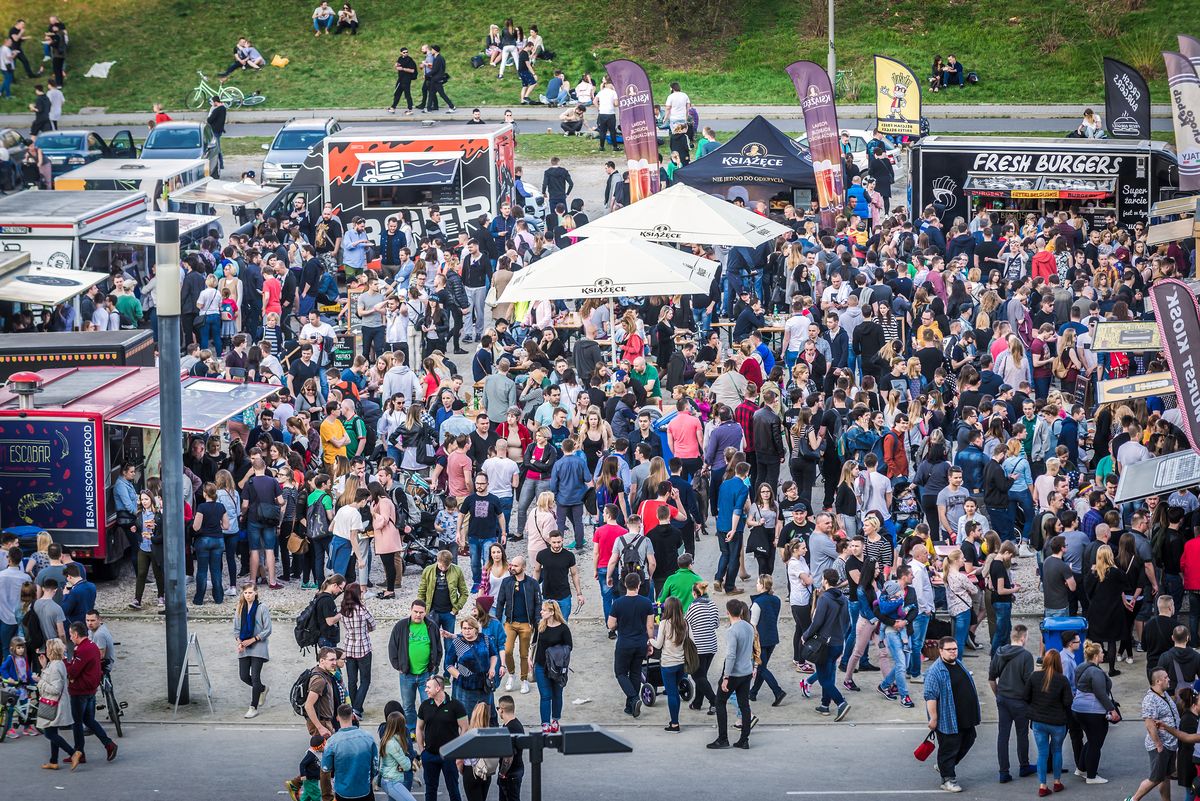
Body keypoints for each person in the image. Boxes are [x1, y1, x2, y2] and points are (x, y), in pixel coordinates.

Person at [925, 637, 981, 793]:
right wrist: (933, 718)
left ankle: (944, 766)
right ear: (940, 651)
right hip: (948, 718)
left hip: (965, 716)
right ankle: (948, 779)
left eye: (955, 649)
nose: (952, 652)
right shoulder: (935, 671)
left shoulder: (958, 663)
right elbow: (930, 696)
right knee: (949, 747)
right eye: (949, 649)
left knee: (969, 739)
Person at [388, 600, 444, 736]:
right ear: (411, 610)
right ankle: (412, 729)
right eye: (416, 612)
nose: (418, 615)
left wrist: (434, 665)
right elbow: (392, 647)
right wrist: (398, 666)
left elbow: (438, 647)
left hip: (426, 674)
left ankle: (428, 729)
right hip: (407, 675)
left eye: (421, 612)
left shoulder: (431, 626)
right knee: (408, 705)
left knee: (429, 703)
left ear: (425, 612)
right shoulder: (401, 626)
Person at [989, 623, 1035, 783]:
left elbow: (991, 678)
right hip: (1020, 701)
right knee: (1022, 734)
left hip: (1003, 699)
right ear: (1023, 637)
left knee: (1003, 735)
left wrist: (998, 695)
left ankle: (1004, 771)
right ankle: (1024, 766)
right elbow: (1029, 682)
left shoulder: (999, 652)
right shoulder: (1026, 656)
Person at [708, 598, 757, 749]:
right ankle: (744, 739)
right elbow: (752, 648)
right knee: (744, 705)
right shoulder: (749, 627)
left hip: (734, 673)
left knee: (720, 702)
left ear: (728, 612)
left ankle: (723, 738)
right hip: (746, 671)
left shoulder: (732, 631)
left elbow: (731, 656)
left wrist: (725, 677)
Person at [803, 568, 850, 721]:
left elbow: (817, 622)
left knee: (824, 679)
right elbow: (847, 621)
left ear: (825, 580)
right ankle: (824, 705)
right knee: (829, 675)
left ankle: (841, 702)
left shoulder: (824, 599)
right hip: (838, 643)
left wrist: (806, 635)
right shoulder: (842, 598)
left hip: (825, 644)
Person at [66, 622, 116, 764]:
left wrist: (64, 660)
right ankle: (108, 744)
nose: (70, 637)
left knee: (77, 722)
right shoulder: (92, 646)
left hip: (80, 691)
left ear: (76, 634)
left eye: (71, 634)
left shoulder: (82, 650)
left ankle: (79, 753)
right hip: (90, 690)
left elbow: (73, 672)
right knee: (88, 720)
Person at [1126, 668, 1180, 801]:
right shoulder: (1150, 699)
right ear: (1158, 681)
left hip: (1170, 744)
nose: (1169, 679)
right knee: (1155, 778)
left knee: (1165, 776)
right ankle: (1133, 799)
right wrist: (1158, 744)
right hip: (1161, 746)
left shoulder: (1163, 694)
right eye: (1166, 678)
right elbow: (1149, 724)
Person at [1024, 649, 1073, 796]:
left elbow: (1025, 697)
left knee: (1042, 754)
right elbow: (1067, 702)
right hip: (1058, 722)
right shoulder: (1062, 679)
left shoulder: (1034, 677)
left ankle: (1042, 786)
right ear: (1058, 662)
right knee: (1057, 751)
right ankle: (1057, 782)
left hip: (1039, 722)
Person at [1071, 640, 1119, 784]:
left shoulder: (1081, 667)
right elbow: (1100, 693)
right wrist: (1112, 709)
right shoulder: (1096, 672)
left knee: (1091, 740)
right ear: (1097, 656)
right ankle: (1091, 776)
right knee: (1096, 743)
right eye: (1102, 653)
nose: (1104, 654)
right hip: (1093, 711)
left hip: (1078, 709)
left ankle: (1081, 768)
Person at [608, 573, 654, 717]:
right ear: (639, 585)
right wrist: (650, 642)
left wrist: (616, 626)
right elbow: (650, 626)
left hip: (624, 643)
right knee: (635, 672)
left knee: (620, 673)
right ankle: (630, 707)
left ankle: (634, 698)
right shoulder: (646, 602)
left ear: (625, 585)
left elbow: (610, 624)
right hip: (640, 643)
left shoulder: (618, 603)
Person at [416, 675, 468, 801]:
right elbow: (419, 728)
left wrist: (456, 751)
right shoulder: (425, 705)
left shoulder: (456, 705)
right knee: (430, 791)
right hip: (430, 755)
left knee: (453, 790)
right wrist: (422, 751)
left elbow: (465, 728)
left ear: (438, 688)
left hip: (449, 756)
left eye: (428, 687)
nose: (425, 690)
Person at [496, 555, 540, 694]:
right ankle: (512, 674)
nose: (512, 568)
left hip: (526, 623)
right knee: (507, 650)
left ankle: (524, 680)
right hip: (510, 622)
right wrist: (497, 621)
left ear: (524, 567)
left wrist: (537, 621)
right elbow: (500, 602)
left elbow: (538, 603)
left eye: (516, 566)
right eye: (512, 565)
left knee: (524, 654)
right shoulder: (507, 582)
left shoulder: (532, 583)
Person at [36, 638, 78, 770]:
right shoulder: (56, 663)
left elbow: (55, 689)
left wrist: (39, 681)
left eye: (47, 649)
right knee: (52, 731)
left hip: (54, 704)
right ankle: (53, 761)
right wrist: (43, 667)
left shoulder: (55, 666)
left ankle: (73, 753)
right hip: (55, 703)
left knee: (49, 733)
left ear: (51, 651)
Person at [322, 704, 379, 801]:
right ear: (353, 717)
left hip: (343, 791)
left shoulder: (332, 742)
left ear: (337, 718)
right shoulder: (368, 737)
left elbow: (326, 768)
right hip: (365, 789)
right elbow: (375, 765)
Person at [234, 582, 272, 719]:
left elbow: (268, 629)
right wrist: (239, 642)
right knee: (244, 676)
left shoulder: (262, 608)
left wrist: (253, 639)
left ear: (255, 592)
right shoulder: (240, 607)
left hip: (258, 646)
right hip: (244, 645)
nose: (248, 595)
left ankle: (253, 707)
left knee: (255, 676)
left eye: (250, 592)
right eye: (245, 593)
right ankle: (262, 689)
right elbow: (236, 629)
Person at [532, 599, 571, 732]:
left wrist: (555, 653)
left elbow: (569, 647)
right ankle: (545, 722)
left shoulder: (563, 628)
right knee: (545, 695)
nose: (541, 612)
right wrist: (529, 659)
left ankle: (555, 719)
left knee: (557, 694)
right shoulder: (540, 626)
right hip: (541, 665)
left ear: (552, 612)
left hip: (557, 667)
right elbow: (534, 643)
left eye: (544, 610)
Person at [340, 582, 376, 720]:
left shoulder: (343, 610)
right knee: (365, 680)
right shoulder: (362, 610)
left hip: (349, 648)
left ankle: (354, 708)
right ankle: (356, 708)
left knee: (351, 680)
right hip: (363, 648)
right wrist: (365, 630)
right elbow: (373, 624)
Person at [533, 531, 583, 621]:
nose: (556, 545)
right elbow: (536, 571)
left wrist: (579, 593)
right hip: (547, 595)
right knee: (546, 623)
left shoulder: (569, 556)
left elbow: (574, 574)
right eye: (554, 542)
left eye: (559, 542)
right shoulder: (542, 554)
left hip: (564, 595)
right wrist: (533, 590)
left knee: (563, 623)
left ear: (562, 540)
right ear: (549, 541)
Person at [379, 711, 415, 801]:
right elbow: (407, 766)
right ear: (401, 726)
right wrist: (408, 755)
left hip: (388, 780)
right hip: (392, 782)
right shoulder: (393, 744)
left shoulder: (387, 740)